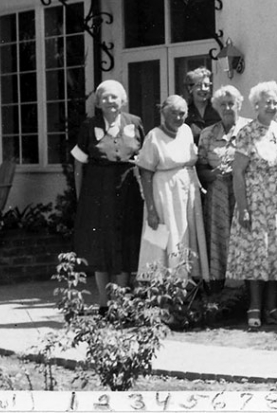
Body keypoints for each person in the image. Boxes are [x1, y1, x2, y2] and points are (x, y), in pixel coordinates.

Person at [225, 81, 277, 328]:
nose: (272, 106)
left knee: (275, 254)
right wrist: (243, 208)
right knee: (256, 255)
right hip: (254, 200)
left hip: (276, 200)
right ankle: (254, 307)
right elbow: (237, 172)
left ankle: (272, 308)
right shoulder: (246, 132)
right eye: (267, 101)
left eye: (276, 102)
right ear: (256, 104)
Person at [71, 80, 145, 314]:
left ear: (122, 100)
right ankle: (104, 302)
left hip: (128, 191)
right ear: (98, 103)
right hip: (97, 193)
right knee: (100, 246)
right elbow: (78, 166)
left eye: (114, 97)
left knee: (125, 241)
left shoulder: (135, 123)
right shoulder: (88, 126)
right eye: (105, 98)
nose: (110, 102)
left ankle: (121, 302)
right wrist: (81, 197)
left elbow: (144, 158)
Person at [136, 95, 209, 281]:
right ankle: (161, 284)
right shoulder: (154, 136)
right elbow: (146, 173)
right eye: (173, 113)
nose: (178, 117)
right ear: (163, 114)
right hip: (164, 195)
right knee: (163, 237)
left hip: (187, 192)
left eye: (182, 113)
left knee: (187, 234)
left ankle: (189, 283)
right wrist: (151, 209)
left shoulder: (185, 131)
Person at [196, 85, 252, 289]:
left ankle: (246, 292)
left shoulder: (250, 129)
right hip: (217, 194)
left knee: (245, 240)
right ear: (217, 108)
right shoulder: (208, 134)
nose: (228, 108)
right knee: (218, 242)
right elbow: (200, 166)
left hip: (244, 194)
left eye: (231, 103)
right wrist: (211, 174)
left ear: (239, 104)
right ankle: (220, 294)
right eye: (223, 105)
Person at [184, 67, 220, 145]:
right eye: (199, 85)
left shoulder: (218, 109)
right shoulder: (185, 113)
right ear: (190, 88)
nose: (203, 89)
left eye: (206, 85)